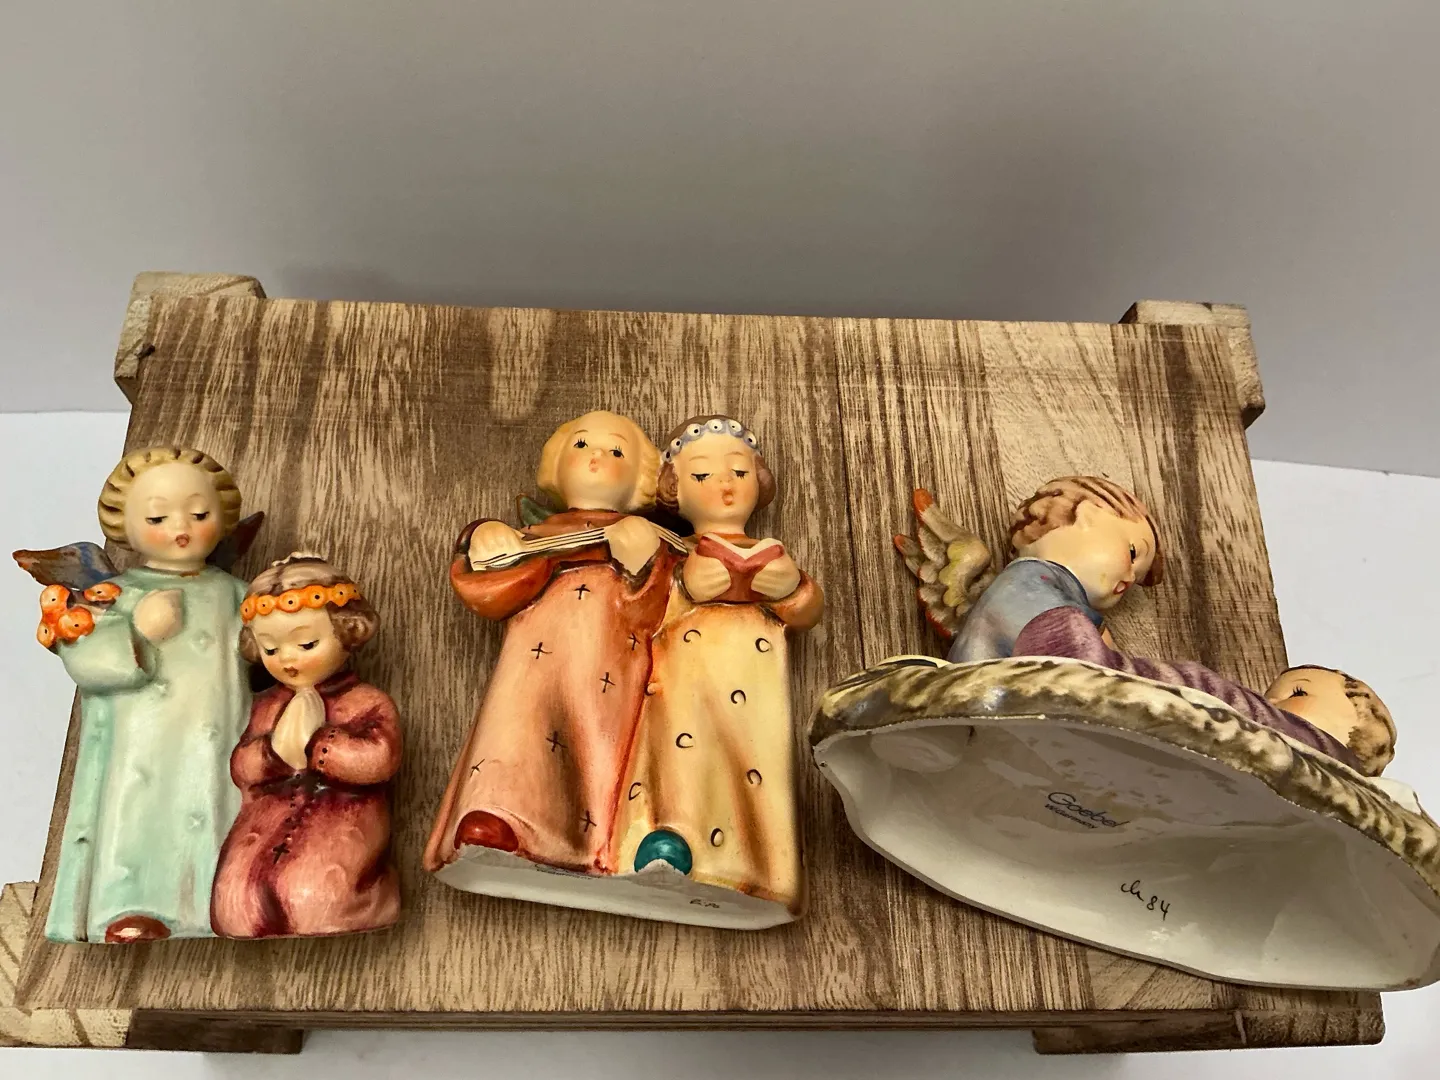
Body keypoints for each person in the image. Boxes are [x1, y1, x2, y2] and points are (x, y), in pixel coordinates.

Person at [424, 411, 678, 879]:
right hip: (532, 653)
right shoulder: (535, 537)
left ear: (640, 481)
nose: (596, 456)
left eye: (616, 451)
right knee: (516, 724)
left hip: (609, 656)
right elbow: (489, 588)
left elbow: (665, 614)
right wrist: (481, 537)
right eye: (581, 445)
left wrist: (644, 563)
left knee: (598, 735)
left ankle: (599, 842)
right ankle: (499, 817)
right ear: (555, 465)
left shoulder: (646, 536)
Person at [614, 416, 823, 916]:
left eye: (739, 471)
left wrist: (792, 591)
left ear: (759, 480)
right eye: (703, 475)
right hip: (686, 671)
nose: (725, 484)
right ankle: (668, 838)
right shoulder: (673, 552)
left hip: (755, 677)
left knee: (753, 762)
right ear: (677, 491)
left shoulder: (775, 555)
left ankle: (759, 866)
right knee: (682, 748)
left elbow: (809, 610)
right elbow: (637, 612)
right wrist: (680, 586)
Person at [40, 447, 251, 943]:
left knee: (217, 807)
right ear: (126, 526)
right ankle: (130, 905)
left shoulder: (235, 593)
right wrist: (138, 633)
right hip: (141, 746)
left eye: (198, 514)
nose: (181, 527)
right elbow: (85, 660)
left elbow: (267, 646)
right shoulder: (115, 595)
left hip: (219, 732)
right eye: (158, 518)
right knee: (138, 816)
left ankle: (213, 904)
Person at [211, 555, 401, 938]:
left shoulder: (365, 702)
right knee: (234, 896)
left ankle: (370, 900)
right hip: (265, 820)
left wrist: (319, 745)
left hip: (339, 817)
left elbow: (381, 758)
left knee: (314, 894)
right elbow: (241, 767)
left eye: (307, 643)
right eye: (270, 649)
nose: (288, 659)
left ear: (347, 631)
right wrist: (272, 752)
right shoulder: (266, 707)